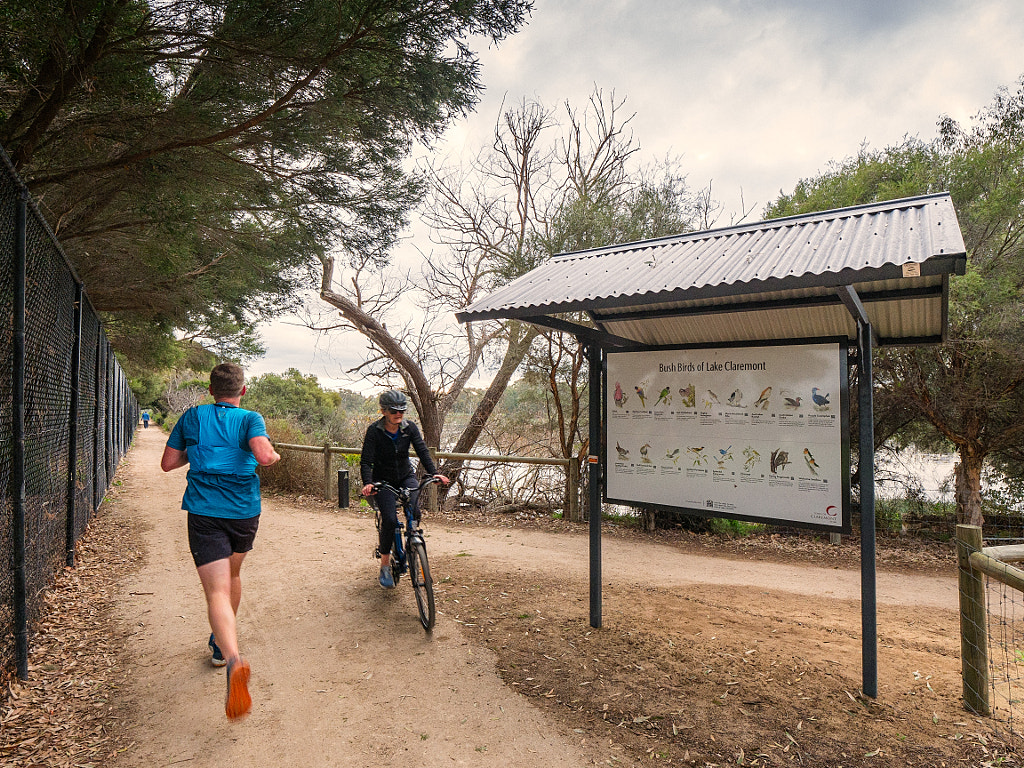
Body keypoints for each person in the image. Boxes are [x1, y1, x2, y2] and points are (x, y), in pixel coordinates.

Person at [160, 362, 280, 720]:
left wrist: (195, 454)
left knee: (216, 590)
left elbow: (168, 463)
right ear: (242, 391)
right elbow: (263, 455)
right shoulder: (250, 419)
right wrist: (273, 454)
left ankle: (231, 656)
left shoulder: (192, 417)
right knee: (233, 576)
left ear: (210, 390)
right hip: (243, 512)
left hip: (205, 512)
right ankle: (219, 646)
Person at [360, 390, 449, 588]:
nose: (398, 414)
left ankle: (413, 544)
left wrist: (434, 473)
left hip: (405, 476)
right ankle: (385, 565)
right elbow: (366, 461)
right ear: (383, 411)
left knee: (415, 511)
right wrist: (368, 482)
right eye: (394, 410)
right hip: (382, 481)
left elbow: (422, 451)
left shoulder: (410, 428)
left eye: (402, 410)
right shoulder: (374, 431)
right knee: (390, 521)